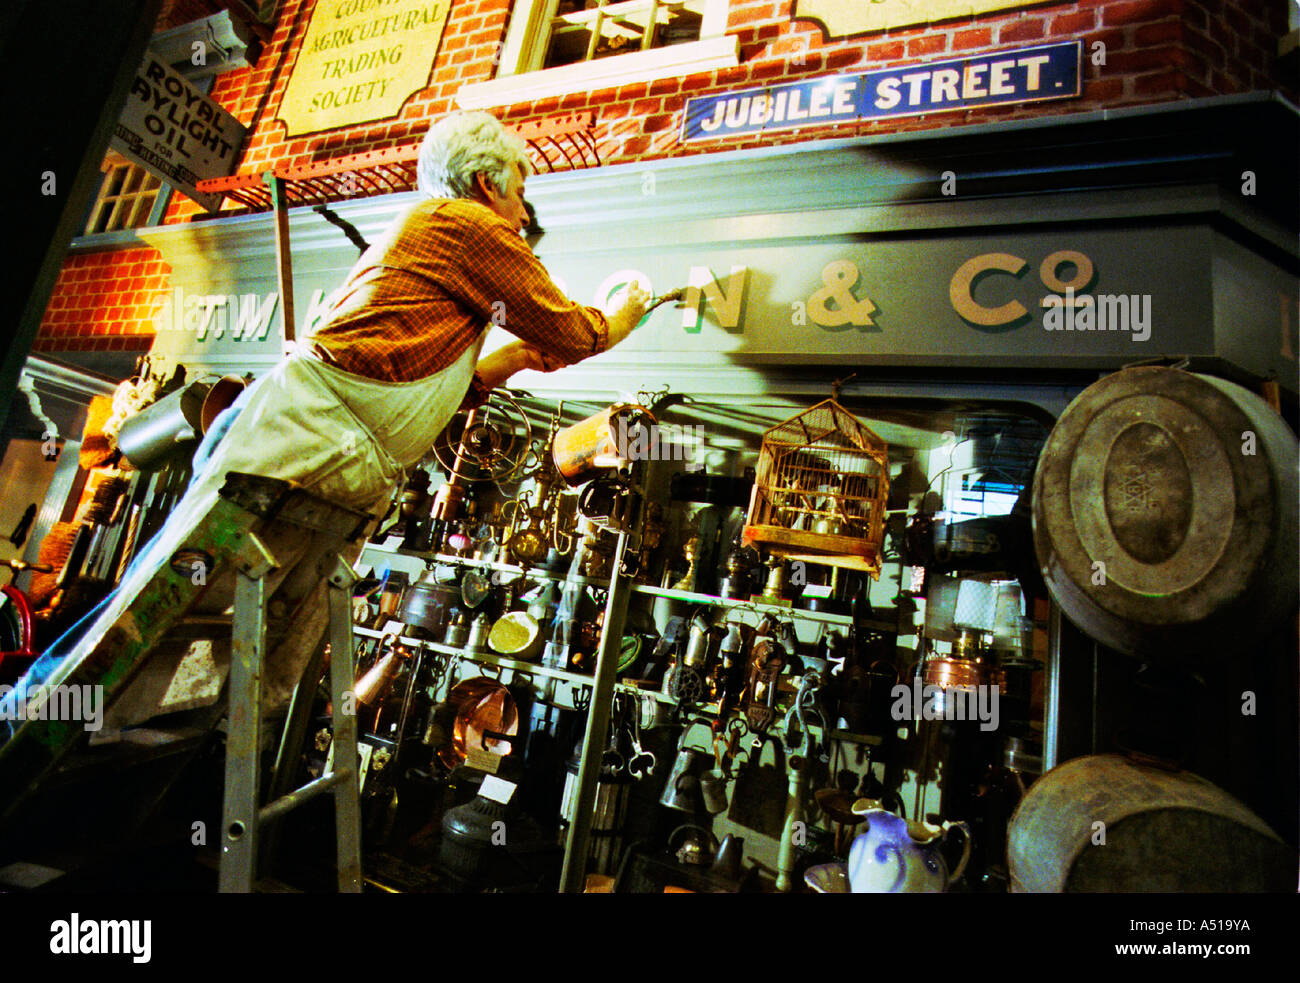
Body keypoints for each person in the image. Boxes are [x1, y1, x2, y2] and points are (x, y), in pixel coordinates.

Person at [0, 110, 648, 733]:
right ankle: (24, 727)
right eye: (520, 185)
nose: (523, 207)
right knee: (152, 617)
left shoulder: (447, 252)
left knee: (242, 651)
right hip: (304, 436)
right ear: (486, 182)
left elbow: (419, 375)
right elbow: (575, 332)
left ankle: (110, 739)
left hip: (329, 452)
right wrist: (625, 311)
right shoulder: (460, 221)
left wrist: (498, 366)